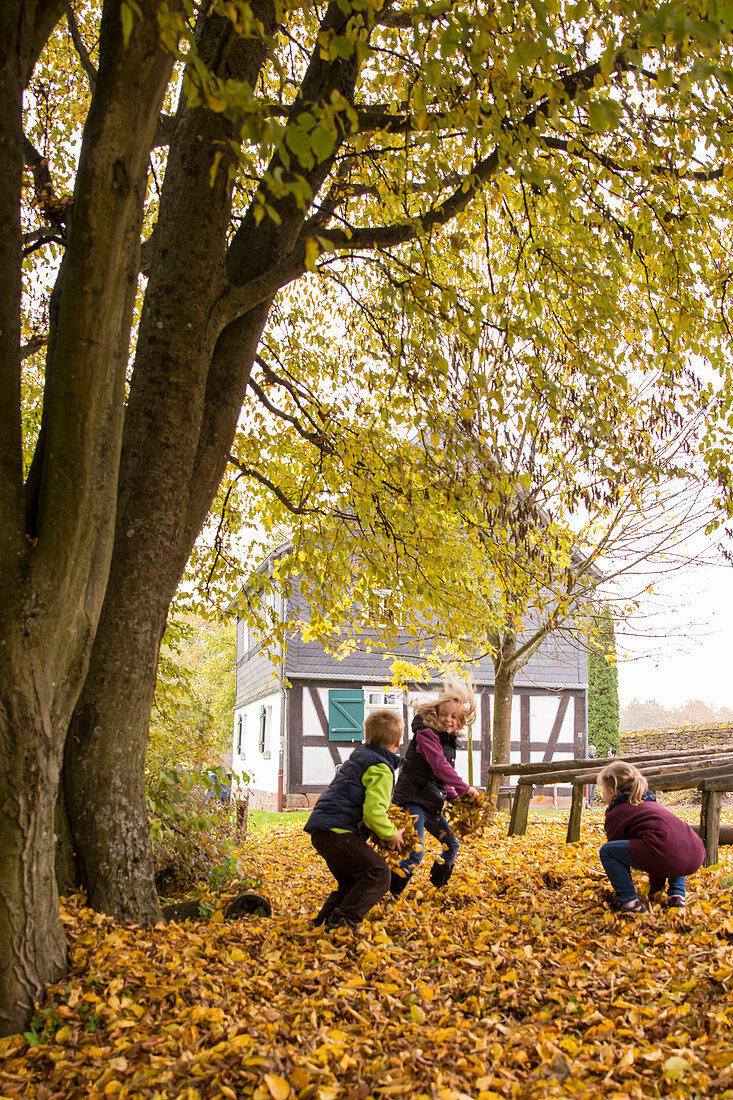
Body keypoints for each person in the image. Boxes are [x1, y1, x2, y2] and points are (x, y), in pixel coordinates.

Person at [305, 708, 405, 932]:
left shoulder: (358, 759)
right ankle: (344, 922)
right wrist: (391, 833)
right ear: (398, 742)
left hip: (323, 829)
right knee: (379, 874)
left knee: (351, 881)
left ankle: (322, 922)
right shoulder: (381, 768)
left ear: (367, 736)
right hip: (338, 831)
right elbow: (373, 813)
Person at [390, 680, 479, 896]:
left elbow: (439, 781)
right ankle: (390, 890)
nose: (448, 720)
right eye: (444, 714)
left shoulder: (448, 741)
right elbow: (439, 766)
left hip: (429, 803)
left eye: (454, 716)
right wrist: (465, 788)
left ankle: (439, 885)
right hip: (412, 801)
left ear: (460, 721)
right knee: (415, 853)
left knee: (451, 844)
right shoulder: (426, 735)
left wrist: (456, 797)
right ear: (435, 713)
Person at [598, 759, 706, 914]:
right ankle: (677, 895)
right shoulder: (651, 804)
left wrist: (651, 887)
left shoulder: (617, 812)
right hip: (694, 852)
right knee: (672, 846)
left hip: (665, 854)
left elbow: (620, 856)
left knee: (607, 851)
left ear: (611, 791)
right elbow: (655, 847)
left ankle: (630, 902)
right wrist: (655, 890)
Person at [584, 743, 597, 809]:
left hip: (594, 777)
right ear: (589, 750)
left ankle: (591, 805)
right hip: (589, 777)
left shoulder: (594, 759)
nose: (594, 752)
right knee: (588, 792)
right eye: (593, 750)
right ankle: (587, 805)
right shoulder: (587, 758)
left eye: (595, 750)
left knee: (592, 792)